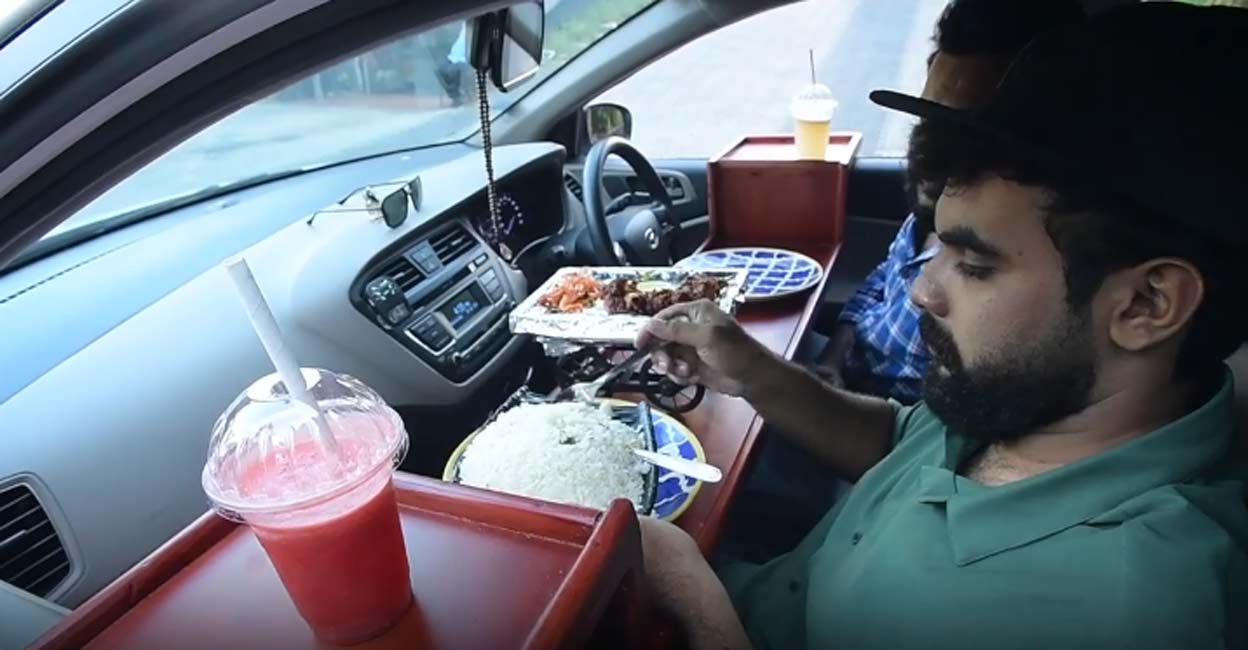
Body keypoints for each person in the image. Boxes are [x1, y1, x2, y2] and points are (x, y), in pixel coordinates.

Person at [635, 4, 1248, 649]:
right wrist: (751, 368)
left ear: (1146, 305)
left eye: (974, 266)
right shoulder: (1037, 398)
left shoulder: (1125, 606)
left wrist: (684, 578)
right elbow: (904, 444)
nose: (922, 290)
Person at [814, 0, 1084, 404]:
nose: (929, 151)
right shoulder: (932, 206)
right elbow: (880, 282)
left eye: (967, 134)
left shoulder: (1032, 270)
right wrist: (831, 361)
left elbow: (920, 435)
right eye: (927, 119)